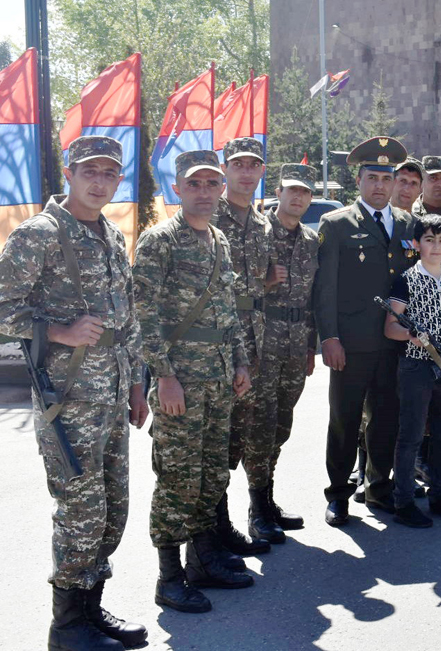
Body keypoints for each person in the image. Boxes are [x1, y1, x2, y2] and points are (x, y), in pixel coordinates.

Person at [0, 136, 148, 650]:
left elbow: (127, 318)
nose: (100, 182)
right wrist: (59, 331)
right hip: (67, 400)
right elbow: (3, 309)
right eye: (90, 171)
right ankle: (66, 627)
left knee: (112, 510)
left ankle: (90, 607)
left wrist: (137, 384)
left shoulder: (110, 233)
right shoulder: (39, 234)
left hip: (112, 395)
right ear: (69, 173)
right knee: (80, 514)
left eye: (109, 173)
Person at [315, 137, 441, 526]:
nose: (380, 185)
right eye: (373, 177)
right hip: (352, 342)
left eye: (387, 178)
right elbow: (326, 288)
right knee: (345, 420)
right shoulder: (336, 224)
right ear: (359, 181)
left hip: (395, 344)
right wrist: (329, 338)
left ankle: (379, 488)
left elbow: (426, 269)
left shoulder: (406, 223)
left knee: (386, 419)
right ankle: (338, 494)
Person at [134, 150, 254, 614]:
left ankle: (203, 561)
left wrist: (241, 362)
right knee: (177, 478)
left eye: (211, 183)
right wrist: (164, 376)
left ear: (222, 188)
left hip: (219, 380)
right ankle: (169, 577)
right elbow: (143, 315)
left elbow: (229, 310)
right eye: (194, 184)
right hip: (180, 382)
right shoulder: (160, 240)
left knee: (211, 474)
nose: (204, 192)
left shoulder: (219, 239)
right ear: (177, 189)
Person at [385, 214, 441, 527]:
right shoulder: (406, 280)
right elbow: (390, 327)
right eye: (429, 240)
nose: (436, 247)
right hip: (416, 367)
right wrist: (410, 335)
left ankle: (438, 495)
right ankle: (404, 502)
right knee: (410, 436)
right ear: (417, 244)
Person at [246, 164, 320, 537]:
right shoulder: (257, 233)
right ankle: (257, 509)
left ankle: (268, 498)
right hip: (263, 341)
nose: (298, 197)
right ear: (278, 192)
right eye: (292, 190)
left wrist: (310, 346)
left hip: (295, 342)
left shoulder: (311, 240)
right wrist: (263, 282)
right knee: (260, 424)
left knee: (281, 424)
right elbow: (232, 288)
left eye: (304, 192)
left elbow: (313, 299)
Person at [212, 137, 275, 553]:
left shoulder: (262, 221)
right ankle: (217, 527)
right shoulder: (208, 214)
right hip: (218, 341)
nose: (247, 172)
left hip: (256, 339)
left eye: (254, 165)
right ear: (225, 169)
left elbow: (259, 281)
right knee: (218, 436)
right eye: (239, 165)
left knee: (253, 429)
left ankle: (258, 512)